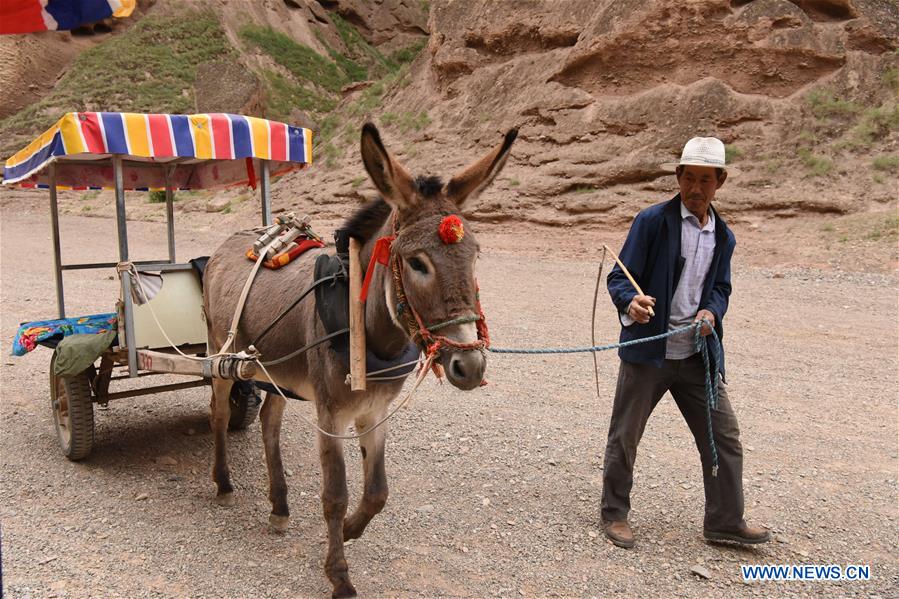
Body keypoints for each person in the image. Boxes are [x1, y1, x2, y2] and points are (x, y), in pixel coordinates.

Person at [600, 137, 770, 549]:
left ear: (721, 182)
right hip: (650, 352)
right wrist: (632, 302)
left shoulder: (723, 236)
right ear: (677, 177)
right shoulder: (652, 221)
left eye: (705, 180)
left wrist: (711, 312)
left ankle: (725, 520)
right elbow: (620, 277)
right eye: (688, 177)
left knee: (724, 437)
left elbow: (722, 288)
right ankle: (614, 514)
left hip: (697, 356)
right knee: (626, 434)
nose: (695, 188)